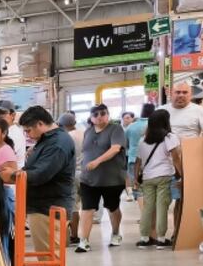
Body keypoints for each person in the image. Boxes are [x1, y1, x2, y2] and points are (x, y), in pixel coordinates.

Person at [0, 106, 75, 266]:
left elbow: (41, 174)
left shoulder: (57, 143)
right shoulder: (47, 141)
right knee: (47, 257)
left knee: (50, 257)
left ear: (41, 123)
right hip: (41, 205)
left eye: (29, 130)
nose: (28, 135)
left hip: (47, 207)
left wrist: (14, 175)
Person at [164, 84, 203, 246]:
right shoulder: (162, 111)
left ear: (191, 94)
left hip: (188, 164)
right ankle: (156, 235)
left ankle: (178, 234)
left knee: (182, 201)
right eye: (177, 92)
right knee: (161, 202)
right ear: (171, 93)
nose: (181, 95)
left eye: (185, 92)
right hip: (163, 163)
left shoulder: (199, 110)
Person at [76, 104, 128, 252]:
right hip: (88, 179)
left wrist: (97, 161)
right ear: (91, 118)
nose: (99, 117)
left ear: (108, 114)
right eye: (96, 114)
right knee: (87, 208)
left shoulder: (116, 129)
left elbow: (115, 148)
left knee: (112, 207)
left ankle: (116, 233)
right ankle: (84, 240)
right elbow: (85, 152)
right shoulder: (88, 131)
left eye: (103, 113)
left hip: (111, 179)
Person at [134, 109, 182, 250]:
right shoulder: (169, 137)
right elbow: (176, 158)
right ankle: (161, 239)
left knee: (148, 207)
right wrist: (183, 175)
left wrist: (136, 178)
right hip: (164, 177)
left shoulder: (143, 139)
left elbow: (138, 161)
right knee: (162, 207)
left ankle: (144, 238)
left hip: (147, 177)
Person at [59, 112, 84, 243]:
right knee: (85, 206)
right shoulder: (84, 133)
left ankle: (73, 236)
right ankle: (83, 235)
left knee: (73, 206)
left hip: (73, 174)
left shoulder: (66, 137)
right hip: (87, 173)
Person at [122, 109, 144, 199]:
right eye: (124, 118)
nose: (126, 120)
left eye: (128, 118)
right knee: (128, 175)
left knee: (135, 174)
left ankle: (136, 192)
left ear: (132, 118)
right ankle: (130, 193)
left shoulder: (134, 127)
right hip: (126, 155)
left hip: (134, 154)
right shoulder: (122, 129)